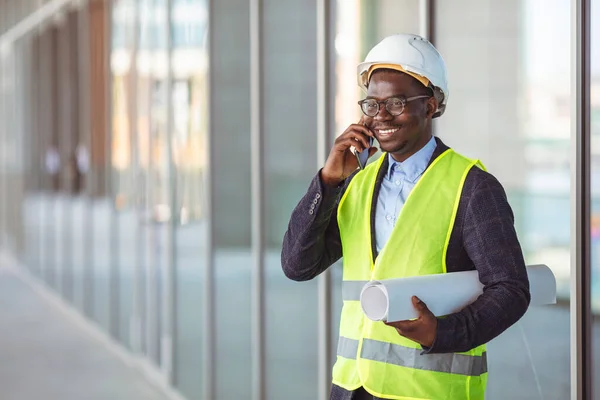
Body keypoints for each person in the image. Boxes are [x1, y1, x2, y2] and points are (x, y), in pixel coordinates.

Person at [281, 33, 530, 400]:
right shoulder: (357, 181)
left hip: (427, 392)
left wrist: (443, 333)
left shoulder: (472, 187)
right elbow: (297, 264)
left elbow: (511, 289)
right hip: (351, 387)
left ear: (430, 106)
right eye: (371, 104)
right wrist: (328, 181)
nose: (380, 116)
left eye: (395, 103)